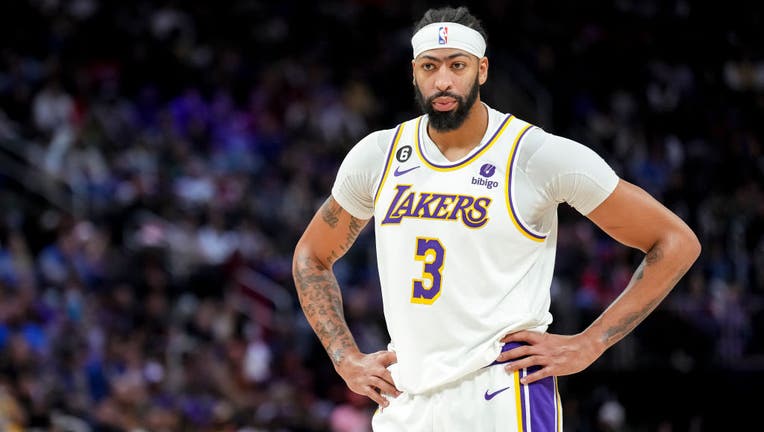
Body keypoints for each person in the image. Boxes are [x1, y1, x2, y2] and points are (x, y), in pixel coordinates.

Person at [292, 6, 701, 431]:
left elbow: (675, 242)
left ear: (482, 70)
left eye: (458, 65)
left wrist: (591, 344)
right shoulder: (378, 156)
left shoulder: (535, 156)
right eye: (430, 66)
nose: (443, 80)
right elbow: (311, 256)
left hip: (502, 393)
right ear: (414, 72)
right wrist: (345, 358)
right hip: (407, 396)